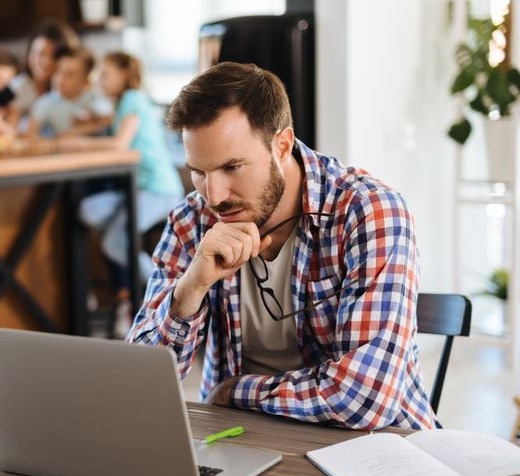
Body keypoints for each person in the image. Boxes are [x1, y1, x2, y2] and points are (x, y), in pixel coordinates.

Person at [128, 62, 435, 431]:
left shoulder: (369, 212)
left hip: (373, 447)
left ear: (282, 144)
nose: (214, 195)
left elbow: (365, 399)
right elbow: (141, 383)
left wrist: (238, 392)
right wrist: (191, 289)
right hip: (240, 437)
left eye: (232, 167)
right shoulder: (191, 220)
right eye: (199, 172)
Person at [75, 51, 184, 337]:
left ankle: (170, 289)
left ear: (125, 75)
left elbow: (120, 143)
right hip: (140, 188)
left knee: (113, 242)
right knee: (89, 210)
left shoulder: (133, 99)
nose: (100, 80)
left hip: (159, 190)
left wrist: (76, 144)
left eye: (106, 74)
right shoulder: (124, 103)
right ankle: (137, 290)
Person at [4, 20, 81, 133]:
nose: (45, 62)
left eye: (53, 56)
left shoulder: (67, 89)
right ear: (29, 52)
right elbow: (10, 133)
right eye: (40, 53)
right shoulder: (19, 86)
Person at [25, 47, 113, 139]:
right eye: (58, 71)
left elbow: (108, 119)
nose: (60, 79)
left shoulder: (95, 97)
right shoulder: (44, 103)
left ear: (86, 82)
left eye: (69, 74)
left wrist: (75, 132)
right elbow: (29, 135)